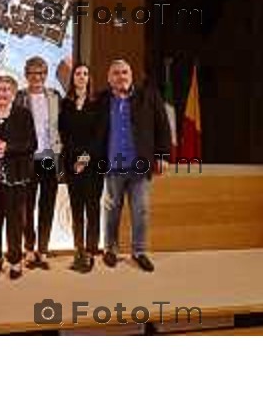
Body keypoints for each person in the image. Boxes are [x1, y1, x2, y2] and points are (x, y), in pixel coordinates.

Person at [96, 59, 171, 272]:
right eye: (117, 73)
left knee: (141, 210)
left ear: (131, 75)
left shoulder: (148, 95)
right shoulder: (102, 99)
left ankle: (139, 251)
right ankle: (110, 249)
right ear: (109, 78)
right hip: (112, 165)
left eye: (125, 72)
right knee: (111, 210)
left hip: (139, 165)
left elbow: (163, 126)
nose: (122, 76)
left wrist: (163, 155)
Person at [0, 75, 37, 280]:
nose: (2, 93)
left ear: (13, 93)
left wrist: (8, 148)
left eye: (6, 90)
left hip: (15, 177)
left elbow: (31, 144)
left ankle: (15, 261)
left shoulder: (23, 115)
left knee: (14, 221)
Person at [14, 56, 62, 270]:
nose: (38, 77)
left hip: (49, 159)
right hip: (27, 160)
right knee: (27, 206)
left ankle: (43, 250)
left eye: (42, 73)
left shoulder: (54, 96)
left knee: (47, 205)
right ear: (26, 75)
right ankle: (29, 249)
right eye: (33, 73)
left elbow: (60, 126)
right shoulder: (20, 97)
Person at [58, 64, 103, 273]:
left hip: (93, 164)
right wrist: (76, 159)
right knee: (76, 209)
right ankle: (79, 250)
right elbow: (64, 134)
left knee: (92, 209)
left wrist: (85, 158)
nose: (82, 76)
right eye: (78, 73)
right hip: (72, 164)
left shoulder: (97, 103)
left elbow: (99, 135)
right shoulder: (65, 104)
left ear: (89, 77)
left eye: (85, 73)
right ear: (73, 78)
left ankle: (92, 251)